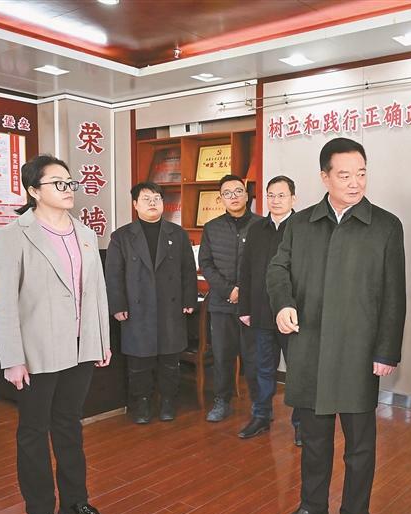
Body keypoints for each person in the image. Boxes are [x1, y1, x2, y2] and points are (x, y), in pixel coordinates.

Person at [268, 138, 406, 514]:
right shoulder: (301, 223)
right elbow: (278, 269)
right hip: (310, 347)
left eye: (361, 173)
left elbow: (394, 294)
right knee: (314, 439)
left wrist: (387, 350)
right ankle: (312, 505)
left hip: (358, 352)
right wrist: (283, 303)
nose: (355, 182)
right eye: (344, 175)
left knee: (360, 445)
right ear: (324, 177)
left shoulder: (385, 225)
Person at [0, 154, 111, 514]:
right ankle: (40, 513)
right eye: (58, 183)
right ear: (33, 191)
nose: (68, 189)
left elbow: (97, 293)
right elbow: (4, 303)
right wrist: (12, 359)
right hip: (36, 353)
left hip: (80, 349)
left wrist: (102, 340)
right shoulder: (12, 236)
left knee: (69, 425)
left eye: (70, 182)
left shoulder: (86, 234)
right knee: (33, 431)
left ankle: (74, 502)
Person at [105, 181, 197, 424]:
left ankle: (168, 401)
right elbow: (113, 275)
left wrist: (189, 298)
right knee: (139, 361)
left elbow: (188, 270)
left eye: (157, 198)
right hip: (137, 308)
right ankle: (143, 403)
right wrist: (118, 305)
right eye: (146, 199)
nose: (153, 203)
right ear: (135, 204)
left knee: (170, 359)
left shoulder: (177, 234)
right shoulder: (122, 236)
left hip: (170, 306)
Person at [237, 175, 302, 443]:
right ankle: (261, 416)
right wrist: (245, 307)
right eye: (271, 195)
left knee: (297, 370)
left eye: (281, 195)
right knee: (262, 368)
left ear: (293, 198)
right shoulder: (256, 229)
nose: (275, 200)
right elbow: (246, 270)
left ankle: (301, 423)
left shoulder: (303, 228)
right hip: (261, 312)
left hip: (293, 315)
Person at [199, 174, 262, 421]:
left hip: (253, 305)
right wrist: (228, 290)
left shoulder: (261, 225)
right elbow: (206, 264)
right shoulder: (211, 228)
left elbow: (266, 264)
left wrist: (244, 292)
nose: (233, 197)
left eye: (238, 191)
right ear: (220, 198)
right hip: (221, 304)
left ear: (247, 195)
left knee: (255, 357)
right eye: (227, 193)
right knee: (222, 356)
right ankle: (221, 401)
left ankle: (260, 405)